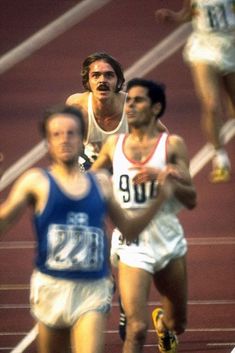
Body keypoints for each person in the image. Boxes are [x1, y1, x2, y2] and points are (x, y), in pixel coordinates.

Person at [0, 105, 177, 353]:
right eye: (57, 134)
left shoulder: (102, 184)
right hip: (51, 286)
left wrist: (160, 197)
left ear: (81, 137)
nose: (65, 140)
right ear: (47, 142)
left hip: (92, 288)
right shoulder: (36, 181)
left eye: (71, 133)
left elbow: (130, 228)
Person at [92, 78, 197, 353]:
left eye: (138, 100)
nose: (130, 105)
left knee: (179, 323)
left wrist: (167, 179)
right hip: (132, 242)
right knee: (136, 330)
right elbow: (87, 181)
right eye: (128, 100)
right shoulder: (113, 145)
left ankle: (165, 324)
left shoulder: (172, 146)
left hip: (167, 237)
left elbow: (192, 198)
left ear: (156, 108)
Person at [155, 0, 235, 183]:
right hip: (204, 46)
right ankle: (220, 158)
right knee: (211, 104)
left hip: (231, 44)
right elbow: (190, 13)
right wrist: (173, 17)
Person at [66, 52, 167, 166]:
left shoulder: (131, 105)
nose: (102, 80)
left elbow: (163, 136)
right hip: (91, 168)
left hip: (126, 168)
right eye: (96, 75)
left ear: (118, 80)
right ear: (87, 81)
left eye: (109, 75)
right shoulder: (77, 106)